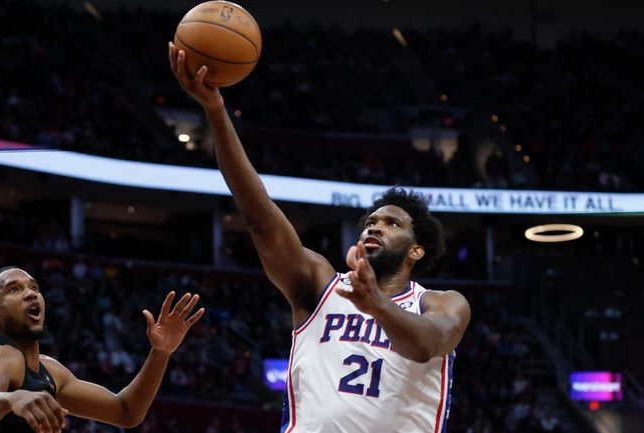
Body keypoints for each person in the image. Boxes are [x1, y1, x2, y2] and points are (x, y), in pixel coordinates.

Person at [169, 44, 471, 433]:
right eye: (371, 222)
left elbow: (428, 344)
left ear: (417, 249)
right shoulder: (319, 285)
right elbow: (260, 218)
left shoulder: (442, 303)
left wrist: (377, 303)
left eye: (392, 224)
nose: (375, 227)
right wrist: (215, 111)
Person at [0, 266, 204, 433]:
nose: (30, 294)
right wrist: (11, 398)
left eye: (34, 288)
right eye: (14, 289)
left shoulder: (51, 371)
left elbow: (127, 412)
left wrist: (161, 353)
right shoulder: (2, 355)